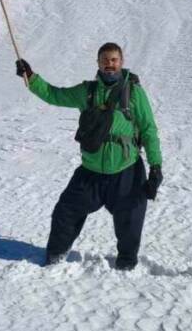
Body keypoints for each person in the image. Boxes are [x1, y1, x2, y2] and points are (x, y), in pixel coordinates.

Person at [15, 42, 163, 270]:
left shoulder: (134, 93)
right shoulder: (88, 91)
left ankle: (126, 266)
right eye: (105, 59)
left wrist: (155, 167)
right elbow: (55, 95)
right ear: (98, 63)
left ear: (121, 62)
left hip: (126, 170)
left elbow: (148, 129)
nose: (109, 64)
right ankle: (54, 258)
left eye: (113, 59)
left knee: (130, 221)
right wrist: (31, 77)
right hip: (91, 172)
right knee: (66, 211)